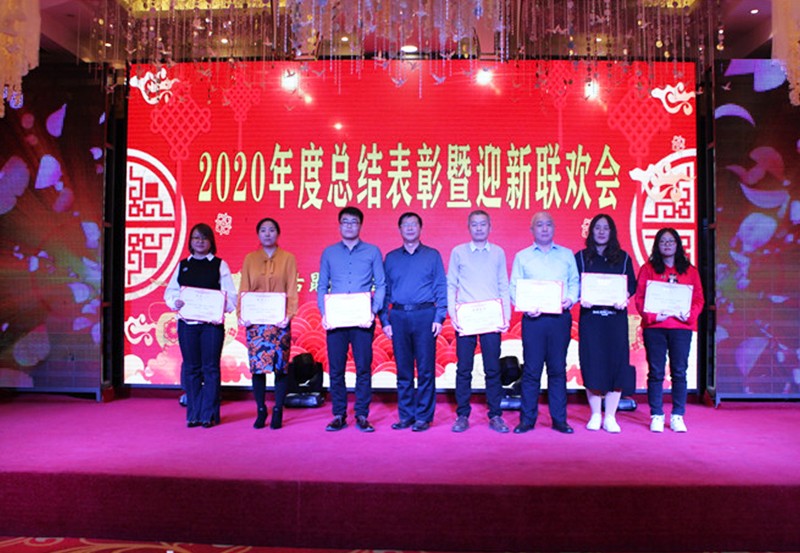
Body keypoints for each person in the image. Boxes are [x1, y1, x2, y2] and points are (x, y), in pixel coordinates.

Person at [509, 211, 579, 434]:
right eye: (540, 225)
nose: (545, 228)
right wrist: (525, 306)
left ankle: (559, 420)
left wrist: (570, 299)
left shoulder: (566, 255)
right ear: (532, 230)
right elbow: (514, 287)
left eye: (548, 224)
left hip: (560, 319)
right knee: (531, 371)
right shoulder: (522, 257)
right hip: (534, 320)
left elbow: (574, 282)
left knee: (557, 370)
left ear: (554, 228)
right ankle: (527, 420)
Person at [318, 206, 386, 432]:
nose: (349, 226)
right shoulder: (329, 253)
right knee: (336, 369)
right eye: (345, 222)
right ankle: (339, 414)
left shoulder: (372, 251)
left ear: (360, 225)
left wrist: (373, 311)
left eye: (353, 222)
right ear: (339, 225)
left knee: (363, 368)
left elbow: (381, 284)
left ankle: (362, 414)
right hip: (336, 319)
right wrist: (325, 313)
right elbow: (322, 286)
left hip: (361, 319)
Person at [164, 223, 236, 428]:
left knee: (210, 368)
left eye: (204, 238)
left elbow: (231, 297)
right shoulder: (183, 265)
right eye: (196, 238)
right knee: (191, 368)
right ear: (190, 241)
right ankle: (193, 414)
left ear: (211, 241)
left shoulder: (219, 265)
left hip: (211, 326)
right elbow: (170, 293)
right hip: (187, 324)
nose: (200, 241)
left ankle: (209, 414)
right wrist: (175, 302)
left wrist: (219, 307)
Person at [447, 209, 511, 433]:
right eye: (474, 224)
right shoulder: (458, 252)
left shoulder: (498, 253)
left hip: (491, 319)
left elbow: (503, 285)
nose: (479, 228)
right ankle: (462, 415)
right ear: (469, 228)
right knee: (464, 369)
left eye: (483, 224)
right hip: (466, 319)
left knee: (492, 369)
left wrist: (505, 316)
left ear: (490, 227)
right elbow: (451, 285)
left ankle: (495, 415)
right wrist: (453, 315)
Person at [382, 212, 447, 432]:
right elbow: (385, 291)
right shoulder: (391, 258)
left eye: (414, 224)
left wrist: (439, 316)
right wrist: (385, 320)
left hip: (425, 315)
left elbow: (440, 287)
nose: (410, 228)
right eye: (405, 225)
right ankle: (406, 415)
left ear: (420, 228)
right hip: (398, 316)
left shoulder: (432, 255)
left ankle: (423, 417)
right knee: (403, 370)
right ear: (399, 229)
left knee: (426, 369)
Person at [634, 228, 704, 433]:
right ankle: (656, 415)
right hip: (655, 328)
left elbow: (699, 299)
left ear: (678, 245)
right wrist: (654, 316)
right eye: (663, 241)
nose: (667, 245)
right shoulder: (648, 269)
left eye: (671, 241)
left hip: (681, 328)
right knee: (656, 372)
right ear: (657, 245)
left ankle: (677, 415)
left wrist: (688, 315)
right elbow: (639, 298)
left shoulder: (690, 271)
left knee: (679, 371)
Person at [575, 214, 636, 433]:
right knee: (592, 363)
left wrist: (624, 296)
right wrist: (580, 296)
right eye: (597, 228)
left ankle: (610, 416)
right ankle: (594, 414)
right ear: (591, 231)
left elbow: (632, 285)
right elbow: (573, 284)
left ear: (612, 232)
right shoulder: (581, 257)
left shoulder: (623, 258)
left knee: (616, 365)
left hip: (615, 321)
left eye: (606, 228)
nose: (601, 232)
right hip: (591, 320)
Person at [239, 217, 299, 430]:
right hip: (256, 323)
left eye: (272, 230)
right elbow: (244, 288)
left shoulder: (288, 258)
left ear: (278, 234)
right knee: (258, 369)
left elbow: (292, 289)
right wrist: (242, 313)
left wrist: (288, 315)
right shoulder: (250, 259)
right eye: (263, 230)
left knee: (280, 368)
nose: (267, 234)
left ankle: (278, 410)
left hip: (280, 322)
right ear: (258, 234)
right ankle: (261, 409)